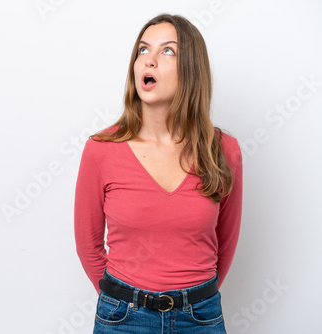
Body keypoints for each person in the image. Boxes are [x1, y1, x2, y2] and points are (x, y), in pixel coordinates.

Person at [74, 13, 243, 333]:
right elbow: (89, 245)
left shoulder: (224, 150)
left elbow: (226, 243)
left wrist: (193, 300)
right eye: (142, 50)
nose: (148, 60)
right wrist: (124, 301)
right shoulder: (101, 149)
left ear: (191, 69)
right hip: (122, 319)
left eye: (167, 51)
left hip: (200, 318)